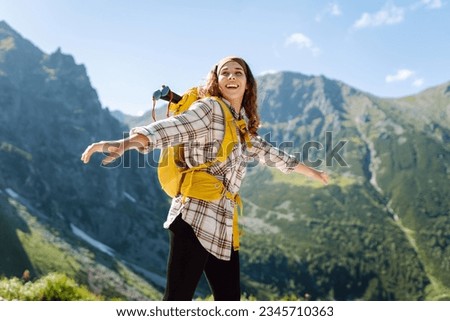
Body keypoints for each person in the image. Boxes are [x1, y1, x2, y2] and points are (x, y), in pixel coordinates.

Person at [81, 56, 329, 301]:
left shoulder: (241, 126)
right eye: (225, 72)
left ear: (248, 84)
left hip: (223, 223)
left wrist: (313, 172)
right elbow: (173, 128)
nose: (231, 76)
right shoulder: (209, 108)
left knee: (230, 300)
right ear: (217, 81)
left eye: (238, 72)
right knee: (178, 299)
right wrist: (124, 144)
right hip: (194, 216)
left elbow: (272, 154)